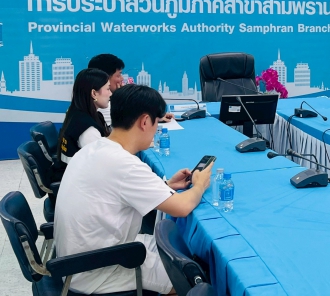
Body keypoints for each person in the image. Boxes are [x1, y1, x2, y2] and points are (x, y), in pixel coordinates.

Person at [54, 84, 212, 294]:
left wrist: (166, 186)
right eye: (156, 122)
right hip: (95, 270)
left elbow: (116, 192)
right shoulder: (124, 165)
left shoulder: (94, 148)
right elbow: (182, 207)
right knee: (191, 278)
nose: (156, 130)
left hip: (79, 257)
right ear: (145, 121)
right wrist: (200, 184)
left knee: (177, 252)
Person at [88, 53, 173, 125]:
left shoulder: (102, 101)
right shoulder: (103, 106)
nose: (122, 79)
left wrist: (155, 117)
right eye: (118, 75)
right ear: (104, 78)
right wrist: (121, 95)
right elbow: (131, 122)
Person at [57, 68, 111, 165]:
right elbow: (102, 163)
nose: (110, 94)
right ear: (94, 93)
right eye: (108, 89)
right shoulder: (88, 130)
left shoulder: (75, 114)